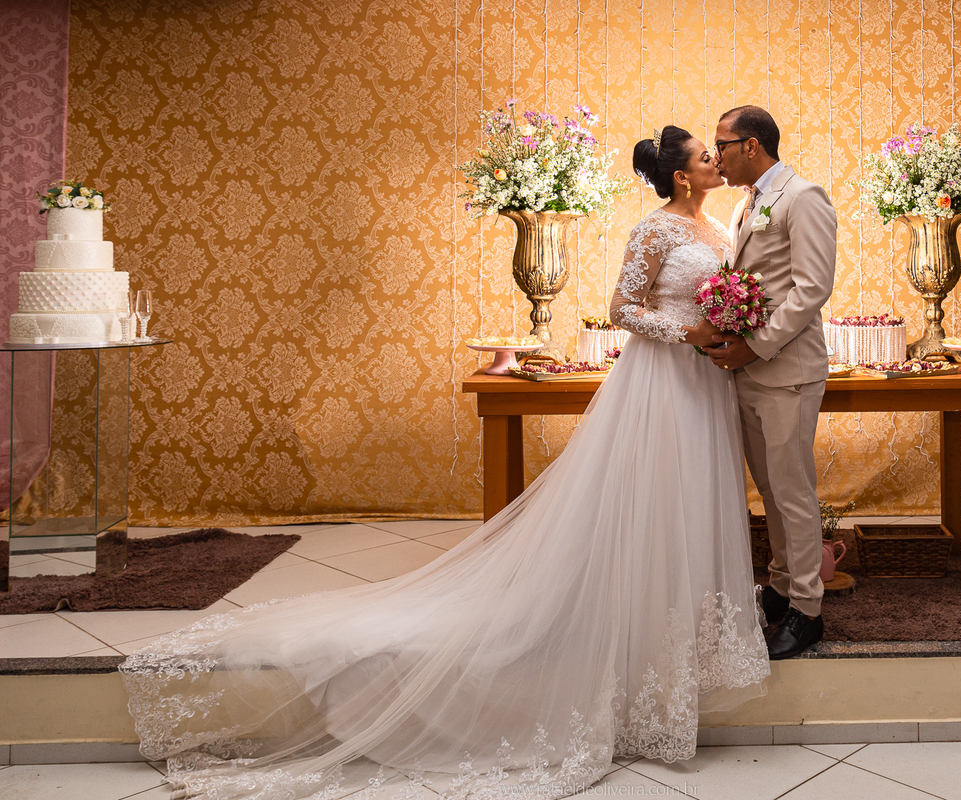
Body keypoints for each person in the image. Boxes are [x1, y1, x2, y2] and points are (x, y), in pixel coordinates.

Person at [119, 124, 769, 800]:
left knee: (692, 502)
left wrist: (728, 326)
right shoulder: (655, 229)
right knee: (653, 500)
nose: (715, 161)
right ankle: (630, 644)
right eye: (705, 156)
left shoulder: (720, 226)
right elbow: (622, 309)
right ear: (680, 175)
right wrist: (687, 330)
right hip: (662, 384)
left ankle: (683, 646)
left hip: (707, 383)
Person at [703, 105, 838, 660]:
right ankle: (782, 586)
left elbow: (811, 289)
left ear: (751, 146)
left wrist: (754, 346)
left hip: (787, 371)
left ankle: (808, 610)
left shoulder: (803, 197)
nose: (715, 156)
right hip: (748, 372)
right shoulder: (746, 204)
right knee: (769, 490)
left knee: (792, 490)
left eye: (721, 145)